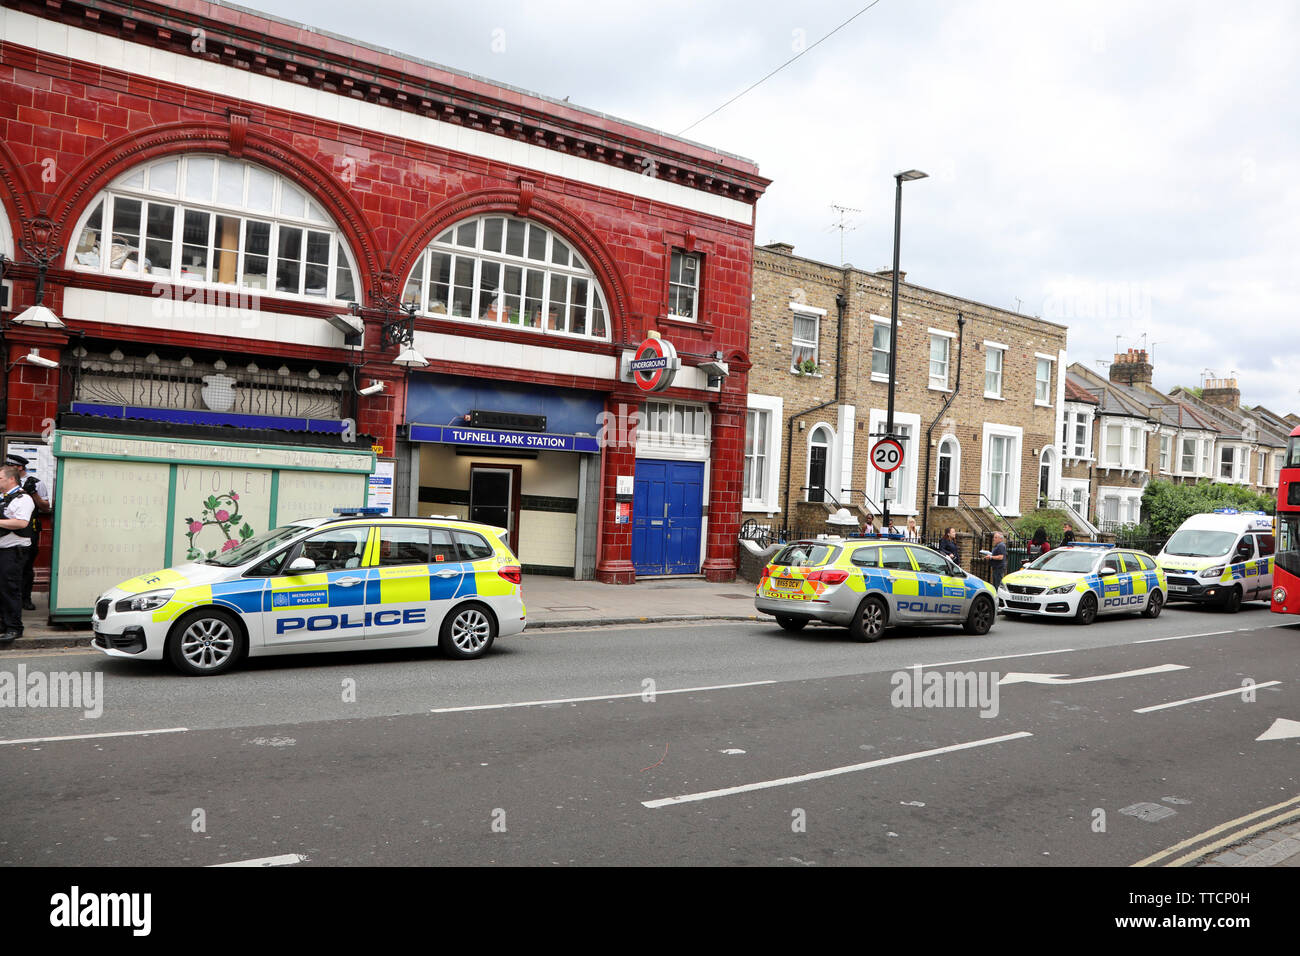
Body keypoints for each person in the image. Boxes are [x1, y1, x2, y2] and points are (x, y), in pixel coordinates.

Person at [7, 454, 50, 611]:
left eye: (10, 465)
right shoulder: (5, 481)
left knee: (26, 565)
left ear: (19, 467)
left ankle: (25, 598)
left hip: (28, 529)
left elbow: (46, 507)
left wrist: (34, 494)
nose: (6, 468)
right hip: (7, 527)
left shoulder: (36, 483)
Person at [0, 464, 35, 645]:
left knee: (10, 588)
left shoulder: (23, 499)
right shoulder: (4, 497)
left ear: (11, 479)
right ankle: (4, 624)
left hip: (13, 551)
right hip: (3, 550)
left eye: (0, 478)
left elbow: (22, 523)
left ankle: (14, 627)